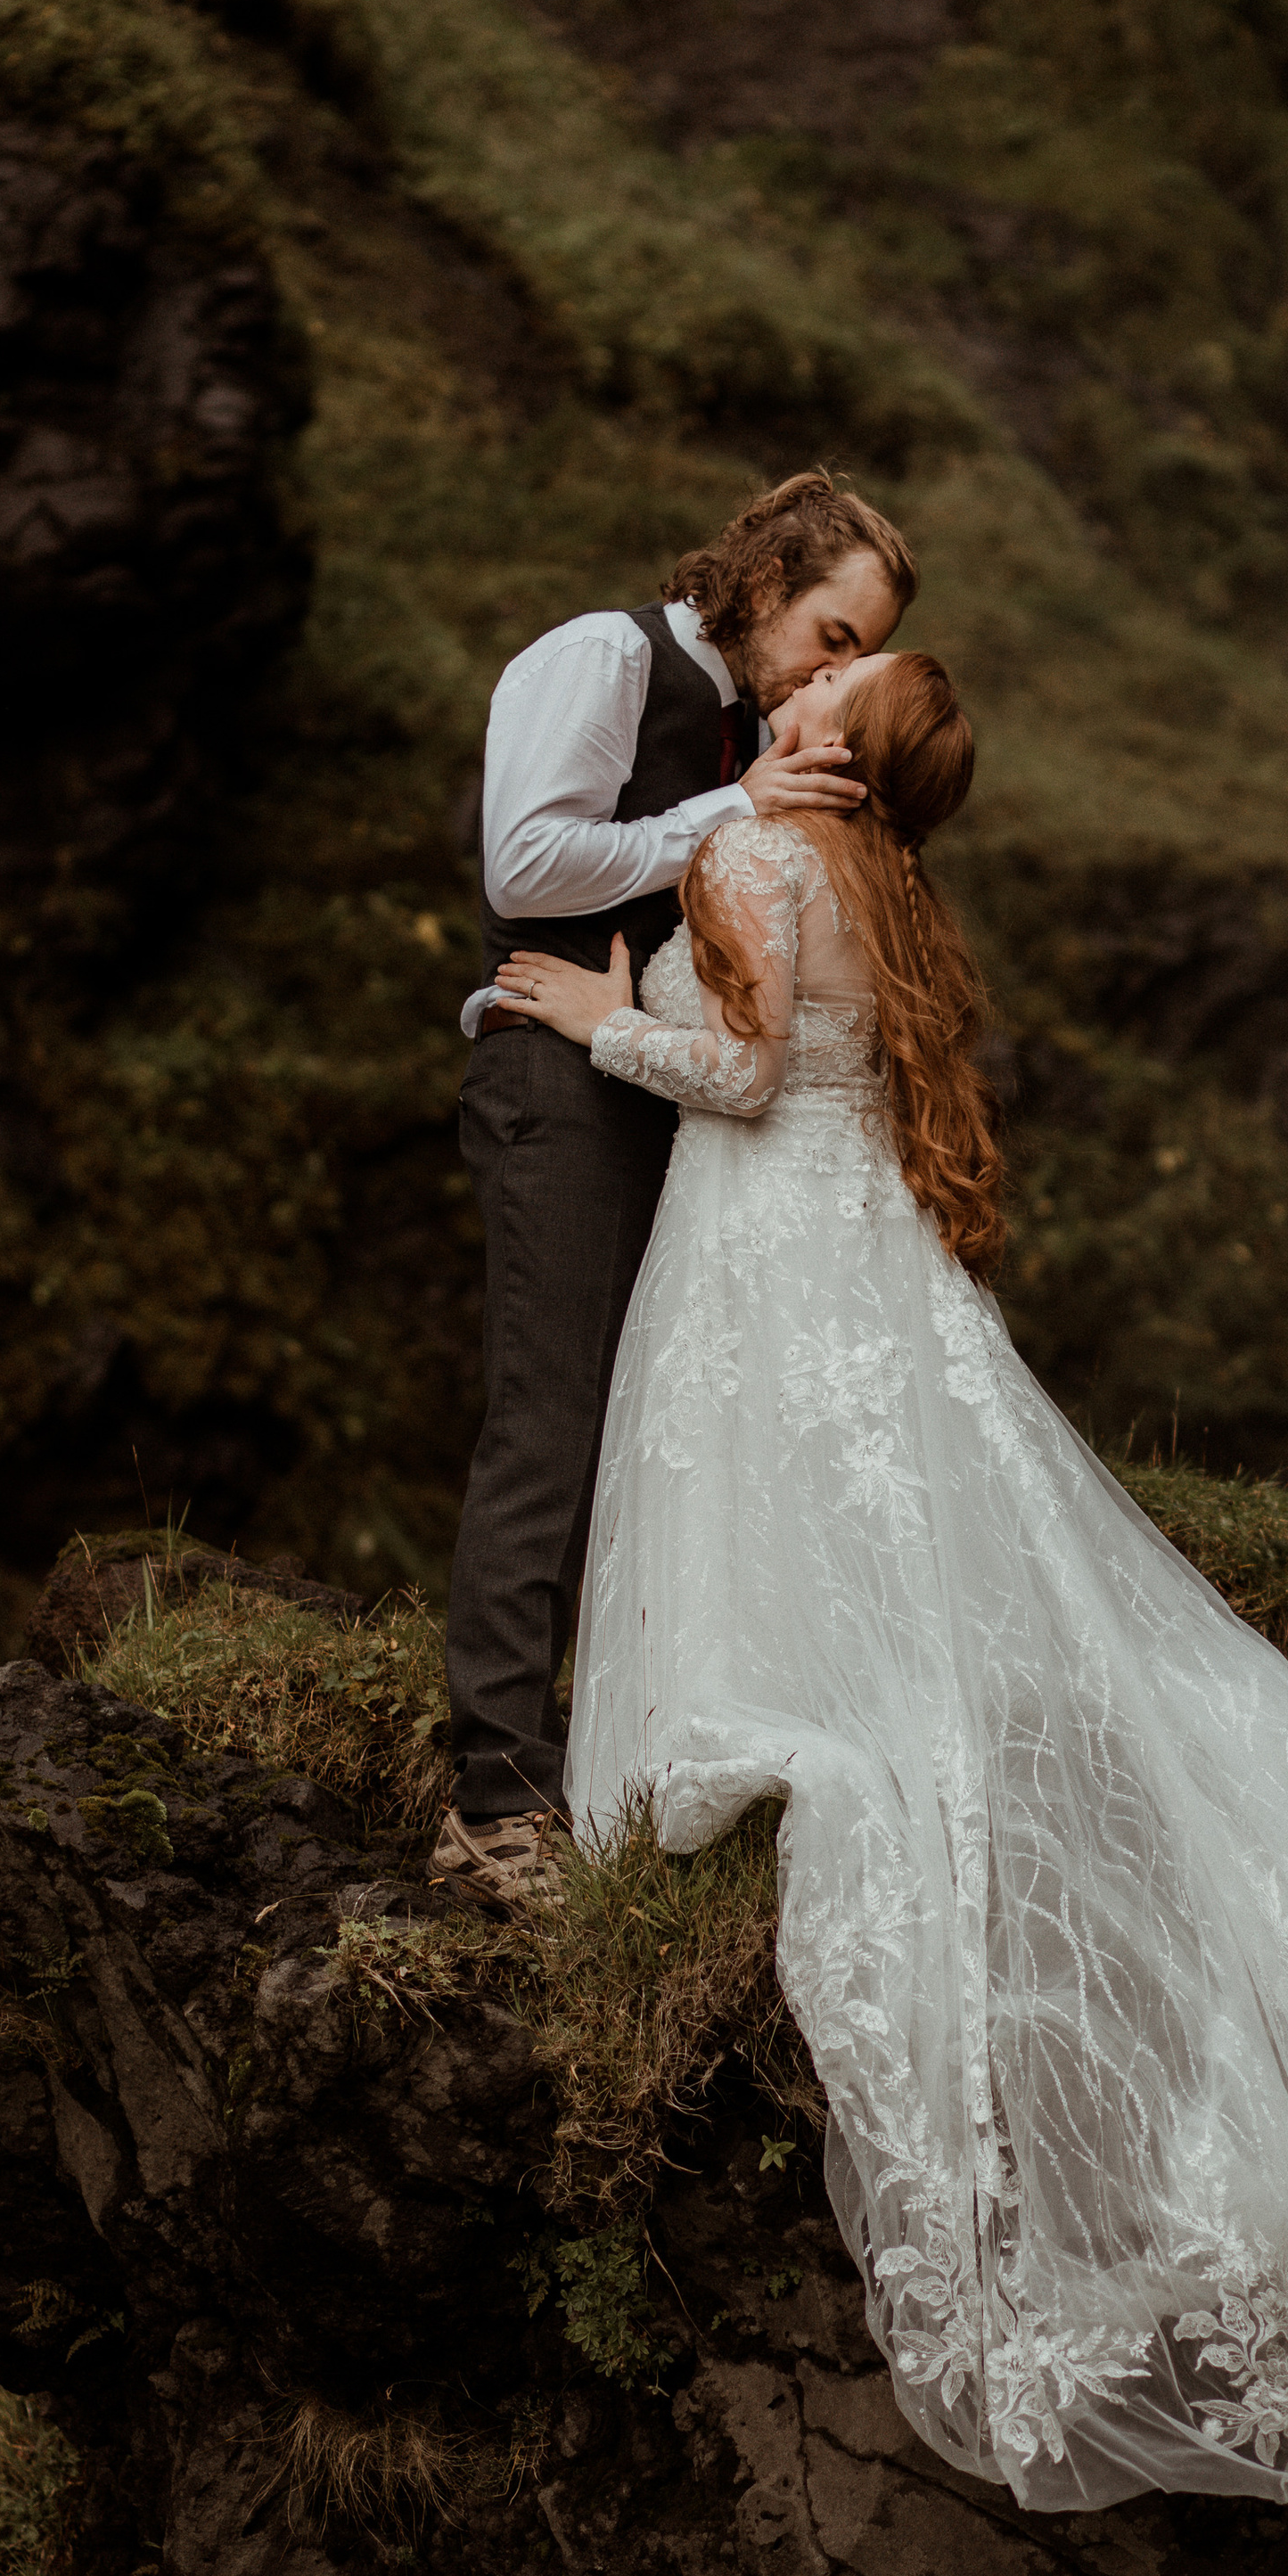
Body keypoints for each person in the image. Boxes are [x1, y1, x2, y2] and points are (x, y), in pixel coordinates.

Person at [488, 646, 1288, 2576]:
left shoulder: (757, 859)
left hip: (759, 1243)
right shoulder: (887, 886)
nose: (798, 700)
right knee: (916, 1508)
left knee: (794, 1522)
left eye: (831, 695)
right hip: (864, 1245)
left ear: (832, 752)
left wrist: (596, 1010)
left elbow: (740, 1078)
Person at [440, 472, 916, 1900]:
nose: (834, 673)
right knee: (552, 1420)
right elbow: (525, 865)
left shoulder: (752, 732)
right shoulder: (601, 658)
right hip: (558, 1081)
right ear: (767, 575)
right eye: (832, 633)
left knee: (659, 1426)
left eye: (857, 657)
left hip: (674, 1092)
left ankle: (618, 1756)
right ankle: (492, 1803)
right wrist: (734, 803)